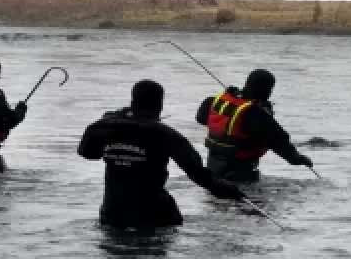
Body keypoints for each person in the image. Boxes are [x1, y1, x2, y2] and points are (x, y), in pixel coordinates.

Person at [79, 80, 244, 228]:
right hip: (154, 216)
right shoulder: (165, 134)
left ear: (132, 101)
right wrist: (229, 190)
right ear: (160, 105)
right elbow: (198, 174)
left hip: (112, 215)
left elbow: (87, 153)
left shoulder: (103, 127)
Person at [195, 69, 312, 183]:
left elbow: (201, 118)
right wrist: (298, 158)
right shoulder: (256, 113)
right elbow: (278, 141)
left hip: (212, 168)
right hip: (240, 173)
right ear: (267, 90)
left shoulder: (215, 101)